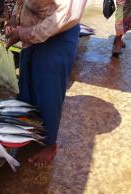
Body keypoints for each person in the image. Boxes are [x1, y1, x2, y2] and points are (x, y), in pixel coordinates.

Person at [6, 0, 87, 166]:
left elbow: (66, 15)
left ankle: (50, 144)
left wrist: (22, 33)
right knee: (27, 88)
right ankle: (31, 131)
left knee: (49, 92)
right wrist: (14, 19)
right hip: (32, 32)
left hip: (58, 34)